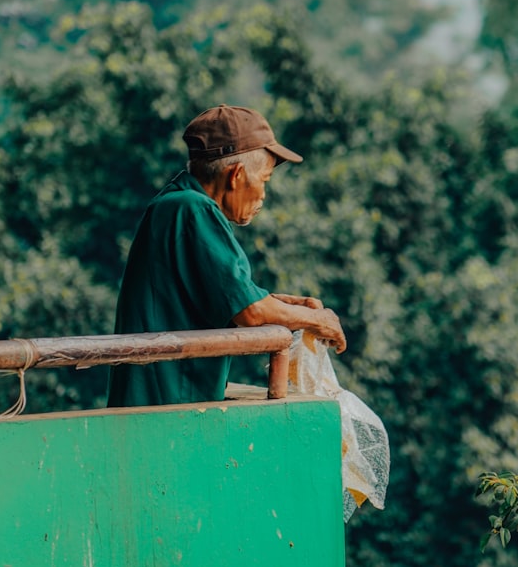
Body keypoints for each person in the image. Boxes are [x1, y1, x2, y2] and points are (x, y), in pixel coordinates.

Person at [106, 104, 347, 407]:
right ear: (236, 175)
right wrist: (317, 320)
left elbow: (228, 295)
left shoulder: (174, 205)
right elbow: (251, 311)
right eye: (265, 179)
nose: (263, 195)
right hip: (164, 405)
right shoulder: (193, 209)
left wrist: (287, 305)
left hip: (162, 403)